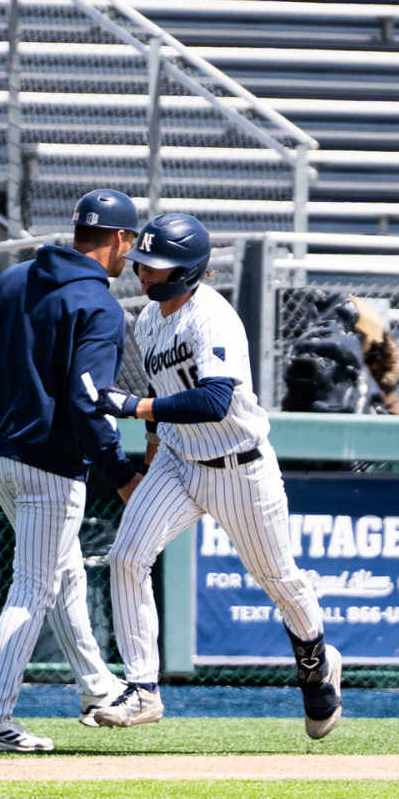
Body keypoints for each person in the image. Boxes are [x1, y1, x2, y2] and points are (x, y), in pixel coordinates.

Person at [88, 213, 344, 739]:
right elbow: (164, 406)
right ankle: (142, 689)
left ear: (186, 270)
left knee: (279, 580)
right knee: (126, 556)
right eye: (142, 262)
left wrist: (132, 406)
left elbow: (213, 400)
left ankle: (316, 661)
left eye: (155, 266)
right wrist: (150, 459)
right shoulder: (149, 321)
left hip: (240, 467)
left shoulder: (213, 316)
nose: (142, 272)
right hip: (181, 462)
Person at [0, 191, 140, 753]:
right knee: (33, 587)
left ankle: (97, 686)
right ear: (120, 240)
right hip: (49, 467)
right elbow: (90, 403)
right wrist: (119, 471)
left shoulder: (14, 279)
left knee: (63, 574)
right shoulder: (102, 306)